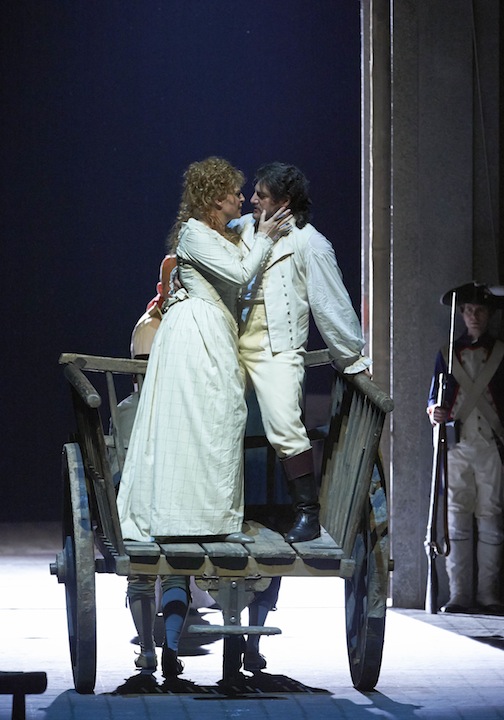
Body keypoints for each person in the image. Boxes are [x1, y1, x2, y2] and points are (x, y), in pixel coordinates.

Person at [117, 156, 290, 679]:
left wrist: (257, 228)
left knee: (216, 428)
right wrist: (260, 234)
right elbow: (240, 270)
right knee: (193, 427)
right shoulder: (193, 232)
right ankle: (185, 520)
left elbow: (243, 267)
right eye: (234, 194)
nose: (241, 201)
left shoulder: (218, 233)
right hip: (194, 339)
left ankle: (210, 517)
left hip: (214, 336)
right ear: (212, 198)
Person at [231, 162, 371, 546]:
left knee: (284, 425)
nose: (253, 199)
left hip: (277, 348)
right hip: (232, 344)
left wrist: (352, 358)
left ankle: (307, 513)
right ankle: (218, 509)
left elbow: (330, 303)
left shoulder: (308, 242)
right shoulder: (243, 228)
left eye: (261, 194)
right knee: (216, 414)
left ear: (284, 201)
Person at [427, 281, 504, 615]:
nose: (474, 316)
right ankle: (459, 595)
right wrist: (434, 411)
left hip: (492, 446)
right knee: (456, 520)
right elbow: (433, 398)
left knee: (491, 520)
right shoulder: (447, 353)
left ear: (488, 314)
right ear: (461, 314)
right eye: (469, 310)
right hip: (457, 446)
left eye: (480, 310)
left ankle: (488, 595)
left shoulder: (500, 352)